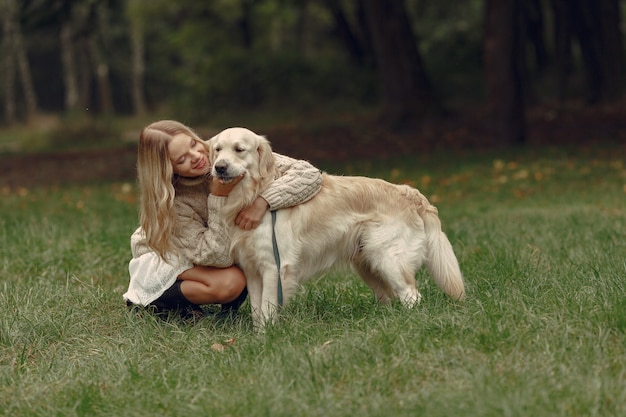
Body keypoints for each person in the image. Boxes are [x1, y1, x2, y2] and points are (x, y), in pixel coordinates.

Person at [123, 120, 322, 320]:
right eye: (182, 159)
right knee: (231, 282)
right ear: (167, 169)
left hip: (206, 249)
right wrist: (218, 197)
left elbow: (309, 175)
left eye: (193, 145)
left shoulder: (221, 150)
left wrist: (263, 202)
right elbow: (216, 256)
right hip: (168, 256)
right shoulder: (174, 203)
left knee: (249, 262)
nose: (197, 157)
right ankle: (155, 304)